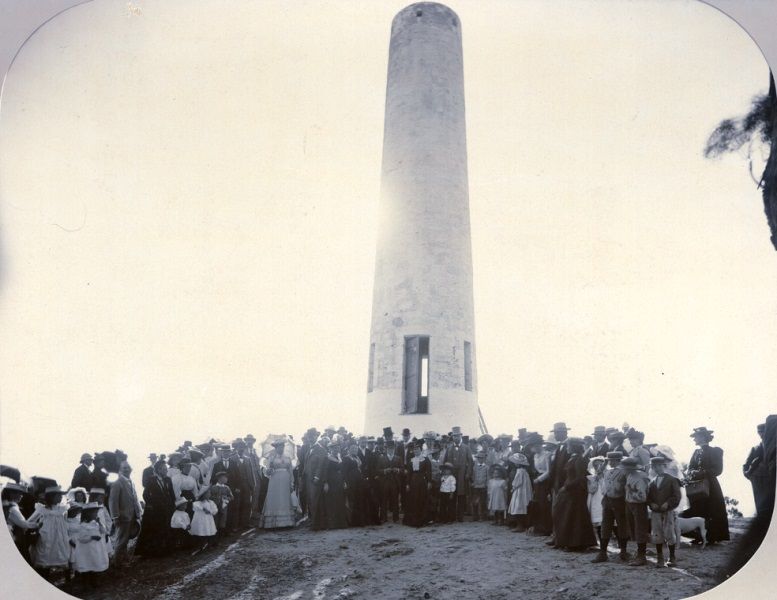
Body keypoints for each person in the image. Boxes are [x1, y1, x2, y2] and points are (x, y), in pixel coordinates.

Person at [681, 426, 730, 544]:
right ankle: (699, 536)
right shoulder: (696, 452)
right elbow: (690, 467)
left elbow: (718, 469)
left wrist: (703, 472)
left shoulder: (715, 451)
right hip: (697, 486)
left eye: (696, 437)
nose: (694, 440)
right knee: (697, 508)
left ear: (703, 437)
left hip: (711, 486)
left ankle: (712, 537)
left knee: (711, 509)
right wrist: (692, 472)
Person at [551, 437, 597, 551]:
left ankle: (575, 544)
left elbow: (580, 478)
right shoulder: (573, 458)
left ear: (574, 447)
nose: (567, 448)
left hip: (575, 492)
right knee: (564, 515)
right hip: (569, 490)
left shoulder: (579, 459)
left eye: (568, 446)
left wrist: (566, 487)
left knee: (573, 517)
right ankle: (564, 541)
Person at [592, 451, 630, 563]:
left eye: (613, 460)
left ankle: (623, 551)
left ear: (618, 460)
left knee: (622, 525)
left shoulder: (624, 472)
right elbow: (598, 473)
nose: (610, 462)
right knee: (605, 525)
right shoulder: (607, 471)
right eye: (609, 460)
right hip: (608, 500)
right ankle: (603, 552)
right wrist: (604, 464)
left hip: (620, 500)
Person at [135, 460, 175, 558]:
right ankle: (155, 552)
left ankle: (167, 550)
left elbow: (172, 493)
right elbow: (145, 494)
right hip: (156, 509)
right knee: (157, 529)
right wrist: (151, 504)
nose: (166, 471)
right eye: (163, 469)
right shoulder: (151, 480)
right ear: (158, 470)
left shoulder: (168, 480)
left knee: (167, 527)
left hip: (167, 508)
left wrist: (172, 504)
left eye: (166, 469)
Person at [28, 485, 70, 576]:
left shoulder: (62, 509)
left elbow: (65, 522)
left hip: (60, 536)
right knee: (46, 554)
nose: (61, 497)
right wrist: (36, 526)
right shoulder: (42, 509)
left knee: (62, 553)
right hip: (46, 536)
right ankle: (44, 575)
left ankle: (67, 577)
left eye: (61, 495)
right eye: (58, 495)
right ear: (51, 497)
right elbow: (30, 521)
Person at [647, 456, 681, 568]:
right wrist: (651, 504)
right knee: (657, 533)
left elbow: (676, 496)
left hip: (668, 512)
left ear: (663, 466)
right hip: (656, 512)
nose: (656, 468)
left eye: (658, 466)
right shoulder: (652, 482)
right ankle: (659, 558)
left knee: (669, 533)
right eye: (653, 466)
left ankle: (672, 557)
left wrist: (668, 503)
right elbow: (649, 497)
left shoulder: (671, 480)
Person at [108, 461, 142, 567]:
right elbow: (113, 501)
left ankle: (125, 559)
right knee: (121, 540)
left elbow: (135, 499)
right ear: (120, 470)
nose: (126, 469)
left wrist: (138, 512)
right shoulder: (117, 482)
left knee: (126, 539)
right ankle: (117, 562)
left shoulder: (130, 481)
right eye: (124, 468)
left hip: (132, 515)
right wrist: (115, 516)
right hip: (123, 517)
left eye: (128, 467)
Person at [261, 438, 296, 529]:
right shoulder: (271, 458)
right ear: (275, 448)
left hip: (285, 480)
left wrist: (291, 483)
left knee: (285, 499)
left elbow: (291, 472)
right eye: (279, 447)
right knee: (275, 498)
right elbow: (267, 473)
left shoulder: (288, 458)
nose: (281, 449)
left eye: (282, 447)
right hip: (275, 481)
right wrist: (269, 469)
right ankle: (273, 523)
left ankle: (286, 523)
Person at [622, 457, 651, 566]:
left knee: (640, 530)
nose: (623, 470)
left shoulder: (640, 477)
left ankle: (642, 556)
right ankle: (639, 553)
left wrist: (631, 492)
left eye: (625, 468)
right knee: (634, 529)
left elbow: (642, 497)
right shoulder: (630, 475)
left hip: (638, 505)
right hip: (630, 504)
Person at [73, 502, 109, 587]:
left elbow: (103, 531)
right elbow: (81, 538)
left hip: (95, 549)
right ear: (87, 514)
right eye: (94, 513)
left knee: (95, 564)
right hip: (86, 550)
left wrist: (100, 523)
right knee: (87, 565)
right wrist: (92, 537)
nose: (96, 514)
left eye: (96, 512)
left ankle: (94, 582)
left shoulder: (96, 524)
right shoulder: (82, 526)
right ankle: (85, 584)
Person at [441, 426, 473, 522]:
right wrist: (445, 474)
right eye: (454, 436)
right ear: (453, 437)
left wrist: (468, 473)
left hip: (462, 475)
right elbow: (445, 461)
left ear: (461, 437)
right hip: (451, 475)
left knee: (461, 495)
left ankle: (460, 517)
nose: (456, 438)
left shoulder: (466, 448)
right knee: (451, 495)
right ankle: (452, 516)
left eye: (458, 436)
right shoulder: (449, 448)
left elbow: (470, 462)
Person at [2, 482, 40, 562]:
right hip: (15, 536)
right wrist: (37, 525)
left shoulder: (5, 505)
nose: (21, 496)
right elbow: (23, 524)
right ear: (11, 493)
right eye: (19, 493)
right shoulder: (12, 508)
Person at [743, 423, 772, 518]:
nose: (761, 434)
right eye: (759, 432)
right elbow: (746, 464)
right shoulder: (755, 448)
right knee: (760, 501)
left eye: (763, 431)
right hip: (758, 478)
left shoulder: (773, 446)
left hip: (772, 477)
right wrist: (749, 475)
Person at [527, 434, 553, 535]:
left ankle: (547, 528)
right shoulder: (535, 456)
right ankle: (539, 527)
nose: (532, 448)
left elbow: (549, 471)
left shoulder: (547, 454)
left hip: (545, 481)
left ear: (538, 445)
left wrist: (539, 479)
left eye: (533, 446)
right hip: (537, 481)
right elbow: (536, 469)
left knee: (545, 504)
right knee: (537, 504)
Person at [403, 440, 431, 527]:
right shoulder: (411, 460)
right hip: (413, 481)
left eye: (417, 449)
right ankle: (413, 520)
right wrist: (407, 484)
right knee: (413, 500)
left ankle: (422, 519)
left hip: (422, 481)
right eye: (414, 450)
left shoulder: (425, 459)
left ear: (421, 450)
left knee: (422, 499)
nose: (416, 451)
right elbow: (409, 474)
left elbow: (429, 472)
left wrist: (429, 482)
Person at [306, 435, 330, 530]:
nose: (310, 438)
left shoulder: (320, 449)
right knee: (310, 501)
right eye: (309, 436)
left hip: (315, 479)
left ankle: (316, 524)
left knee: (315, 501)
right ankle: (313, 522)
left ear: (316, 437)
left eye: (312, 436)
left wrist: (317, 476)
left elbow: (321, 464)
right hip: (307, 479)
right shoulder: (309, 448)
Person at [323, 440, 348, 529]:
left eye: (337, 447)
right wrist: (325, 483)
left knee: (340, 502)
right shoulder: (328, 458)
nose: (336, 449)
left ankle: (341, 523)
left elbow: (342, 471)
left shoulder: (339, 458)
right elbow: (325, 471)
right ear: (330, 449)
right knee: (332, 503)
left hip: (339, 482)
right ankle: (332, 524)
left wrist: (344, 481)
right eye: (334, 448)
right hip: (331, 483)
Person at [377, 439, 403, 523]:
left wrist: (398, 470)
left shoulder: (398, 458)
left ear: (394, 449)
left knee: (395, 500)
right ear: (386, 449)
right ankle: (383, 517)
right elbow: (377, 470)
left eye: (392, 448)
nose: (391, 450)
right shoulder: (381, 458)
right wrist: (385, 470)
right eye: (389, 448)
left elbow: (403, 470)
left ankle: (396, 518)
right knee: (384, 500)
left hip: (395, 482)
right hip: (385, 482)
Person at [342, 442, 366, 526]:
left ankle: (359, 521)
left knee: (359, 500)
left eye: (356, 449)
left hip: (359, 482)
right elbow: (344, 472)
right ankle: (351, 522)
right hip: (351, 482)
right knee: (352, 500)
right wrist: (345, 482)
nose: (354, 450)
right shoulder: (346, 458)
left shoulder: (358, 458)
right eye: (352, 449)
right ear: (349, 449)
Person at [508, 453, 532, 532]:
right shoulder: (525, 471)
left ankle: (520, 526)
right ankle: (522, 525)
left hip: (519, 491)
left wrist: (513, 487)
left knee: (518, 506)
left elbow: (517, 482)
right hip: (524, 491)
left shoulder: (519, 471)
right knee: (521, 507)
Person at [87, 488, 113, 560]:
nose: (102, 499)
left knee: (104, 548)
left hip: (103, 531)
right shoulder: (88, 508)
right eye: (100, 497)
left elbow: (108, 521)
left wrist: (107, 533)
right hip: (92, 532)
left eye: (103, 497)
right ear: (94, 497)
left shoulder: (103, 508)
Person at [586, 457, 606, 543]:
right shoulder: (591, 478)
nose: (598, 467)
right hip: (595, 500)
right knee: (598, 520)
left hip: (605, 498)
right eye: (595, 465)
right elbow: (591, 490)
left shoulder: (608, 475)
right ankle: (602, 542)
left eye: (600, 465)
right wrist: (596, 480)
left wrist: (601, 478)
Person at [210, 471, 234, 539]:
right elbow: (209, 497)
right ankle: (214, 539)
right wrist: (215, 498)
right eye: (225, 477)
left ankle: (220, 539)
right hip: (215, 508)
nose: (227, 479)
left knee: (222, 523)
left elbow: (232, 497)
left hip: (224, 508)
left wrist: (227, 498)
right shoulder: (213, 487)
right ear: (220, 478)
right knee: (215, 522)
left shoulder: (227, 488)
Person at [470, 451, 489, 521]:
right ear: (477, 459)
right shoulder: (474, 467)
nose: (480, 459)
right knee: (475, 502)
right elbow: (473, 476)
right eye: (479, 458)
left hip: (483, 486)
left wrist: (487, 485)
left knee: (483, 502)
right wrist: (473, 483)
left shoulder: (487, 467)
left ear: (484, 459)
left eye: (482, 458)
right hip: (476, 486)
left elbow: (488, 477)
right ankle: (475, 516)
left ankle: (483, 516)